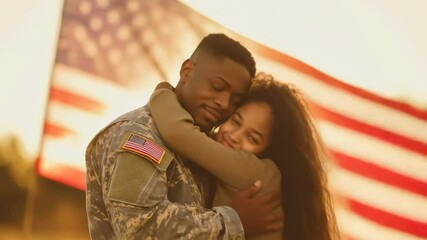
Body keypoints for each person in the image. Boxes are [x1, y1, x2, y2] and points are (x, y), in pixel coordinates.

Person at [85, 33, 281, 239]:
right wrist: (232, 223)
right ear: (187, 70)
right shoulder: (140, 134)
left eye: (235, 100)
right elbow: (138, 227)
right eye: (217, 87)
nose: (224, 103)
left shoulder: (210, 147)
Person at [149, 73, 340, 240]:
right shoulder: (224, 160)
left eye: (253, 138)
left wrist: (164, 89)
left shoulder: (256, 171)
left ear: (267, 150)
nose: (234, 137)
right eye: (235, 121)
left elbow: (177, 131)